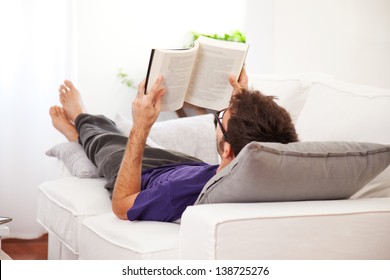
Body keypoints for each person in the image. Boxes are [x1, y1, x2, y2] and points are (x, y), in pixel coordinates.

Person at [50, 69, 298, 222]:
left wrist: (141, 128)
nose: (219, 116)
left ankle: (80, 123)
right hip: (187, 164)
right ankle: (86, 133)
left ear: (227, 150)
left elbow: (122, 206)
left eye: (221, 117)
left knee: (106, 140)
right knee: (120, 130)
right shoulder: (270, 177)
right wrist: (242, 100)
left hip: (146, 173)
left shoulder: (179, 192)